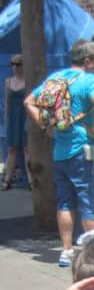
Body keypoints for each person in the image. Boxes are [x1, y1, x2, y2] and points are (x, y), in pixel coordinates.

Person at [25, 39, 94, 267]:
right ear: (88, 61)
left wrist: (45, 125)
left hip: (60, 152)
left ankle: (66, 250)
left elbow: (29, 101)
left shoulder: (56, 78)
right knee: (89, 200)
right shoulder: (90, 81)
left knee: (64, 203)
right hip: (86, 150)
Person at [2, 54, 30, 190]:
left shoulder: (28, 81)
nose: (15, 67)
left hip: (24, 116)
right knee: (12, 149)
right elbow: (6, 102)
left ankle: (31, 180)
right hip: (13, 117)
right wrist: (6, 119)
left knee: (27, 149)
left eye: (18, 64)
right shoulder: (8, 82)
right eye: (13, 64)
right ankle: (7, 179)